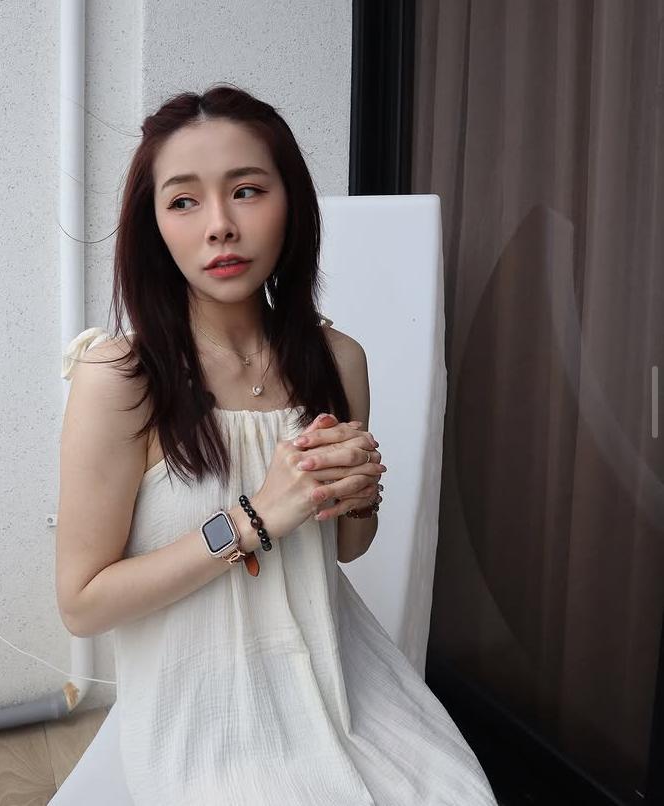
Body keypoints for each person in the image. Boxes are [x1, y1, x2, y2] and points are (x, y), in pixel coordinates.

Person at [56, 84, 498, 805]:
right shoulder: (122, 380)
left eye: (247, 191)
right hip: (204, 716)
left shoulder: (338, 360)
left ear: (291, 203)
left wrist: (359, 493)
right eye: (183, 200)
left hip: (343, 683)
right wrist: (255, 518)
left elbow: (347, 548)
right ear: (153, 226)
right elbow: (82, 604)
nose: (220, 226)